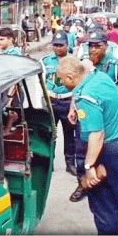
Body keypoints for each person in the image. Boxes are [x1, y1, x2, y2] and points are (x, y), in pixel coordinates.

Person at [57, 56, 118, 235]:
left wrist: (89, 165)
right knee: (112, 205)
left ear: (70, 77)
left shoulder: (86, 96)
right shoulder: (101, 78)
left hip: (105, 154)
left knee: (103, 211)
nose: (61, 82)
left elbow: (97, 135)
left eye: (61, 79)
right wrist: (75, 109)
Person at [41, 31, 82, 179]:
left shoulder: (74, 61)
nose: (58, 48)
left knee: (69, 134)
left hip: (67, 100)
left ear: (67, 45)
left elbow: (78, 84)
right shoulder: (46, 61)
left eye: (61, 45)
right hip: (51, 100)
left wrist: (74, 105)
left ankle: (70, 163)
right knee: (49, 133)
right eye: (55, 45)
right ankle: (48, 162)